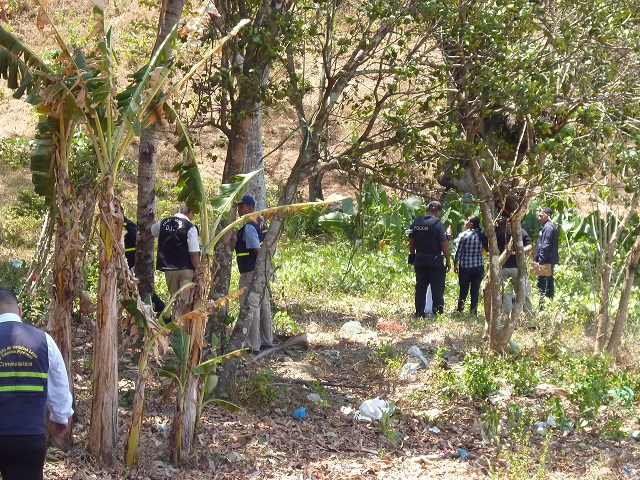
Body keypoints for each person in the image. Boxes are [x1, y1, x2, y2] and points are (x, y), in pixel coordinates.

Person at [0, 288, 73, 480]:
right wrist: (60, 417)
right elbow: (59, 383)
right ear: (20, 310)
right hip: (29, 436)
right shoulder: (44, 341)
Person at [235, 195, 273, 353]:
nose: (239, 210)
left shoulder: (250, 226)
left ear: (250, 208)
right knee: (264, 304)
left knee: (251, 306)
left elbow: (256, 249)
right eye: (238, 207)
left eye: (242, 207)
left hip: (250, 270)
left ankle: (253, 344)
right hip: (262, 269)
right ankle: (267, 339)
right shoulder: (262, 221)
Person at [408, 200, 451, 316]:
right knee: (437, 288)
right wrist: (448, 260)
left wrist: (412, 255)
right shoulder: (437, 224)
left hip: (420, 258)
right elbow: (444, 244)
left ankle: (419, 313)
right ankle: (438, 313)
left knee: (420, 287)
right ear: (437, 211)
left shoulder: (416, 222)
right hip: (435, 259)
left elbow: (411, 241)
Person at [151, 204, 201, 296]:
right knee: (185, 303)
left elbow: (152, 230)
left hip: (169, 269)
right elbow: (193, 253)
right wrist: (200, 272)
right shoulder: (190, 227)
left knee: (174, 301)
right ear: (190, 213)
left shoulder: (163, 223)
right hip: (186, 269)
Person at [124, 216, 165, 314]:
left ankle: (162, 314)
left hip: (133, 266)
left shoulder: (128, 226)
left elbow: (138, 243)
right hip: (125, 267)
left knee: (146, 293)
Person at [495, 216, 534, 313]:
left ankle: (507, 318)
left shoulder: (498, 233)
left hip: (503, 267)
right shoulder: (521, 231)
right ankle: (530, 318)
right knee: (523, 293)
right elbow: (529, 247)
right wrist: (519, 252)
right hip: (517, 268)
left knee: (506, 294)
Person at [453, 215, 487, 315]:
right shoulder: (482, 235)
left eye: (467, 220)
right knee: (475, 290)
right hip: (479, 266)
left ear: (471, 224)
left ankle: (460, 310)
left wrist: (455, 263)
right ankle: (473, 311)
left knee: (463, 290)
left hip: (465, 266)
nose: (465, 221)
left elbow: (458, 252)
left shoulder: (463, 235)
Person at [534, 206, 559, 299]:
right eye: (538, 216)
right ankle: (547, 302)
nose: (538, 218)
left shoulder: (548, 227)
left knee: (542, 284)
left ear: (548, 216)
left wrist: (540, 261)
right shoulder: (545, 227)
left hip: (545, 260)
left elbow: (546, 245)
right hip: (544, 259)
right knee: (547, 282)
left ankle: (542, 306)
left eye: (541, 216)